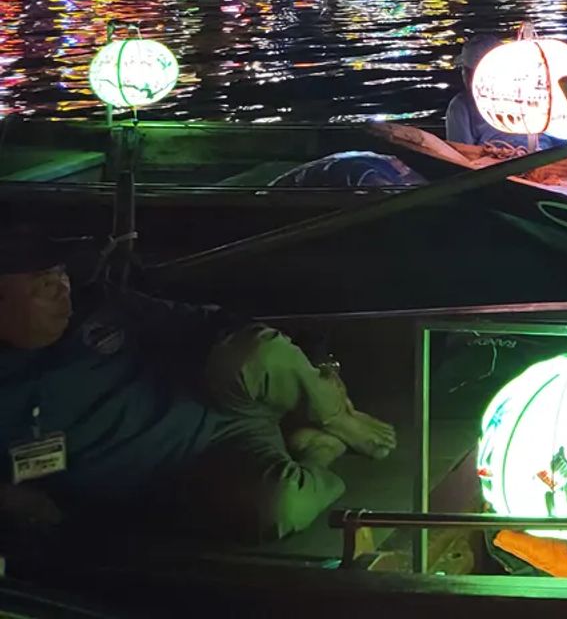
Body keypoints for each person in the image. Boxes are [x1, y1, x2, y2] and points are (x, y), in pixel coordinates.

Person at [0, 232, 394, 543]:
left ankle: (337, 415)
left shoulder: (99, 308)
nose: (61, 290)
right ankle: (316, 454)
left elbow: (210, 323)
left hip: (217, 397)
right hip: (196, 469)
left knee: (255, 351)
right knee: (278, 508)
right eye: (41, 284)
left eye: (61, 275)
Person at [445, 36, 534, 152]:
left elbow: (462, 153)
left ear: (468, 74)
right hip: (540, 151)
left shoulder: (460, 105)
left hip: (496, 161)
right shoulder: (530, 92)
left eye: (464, 69)